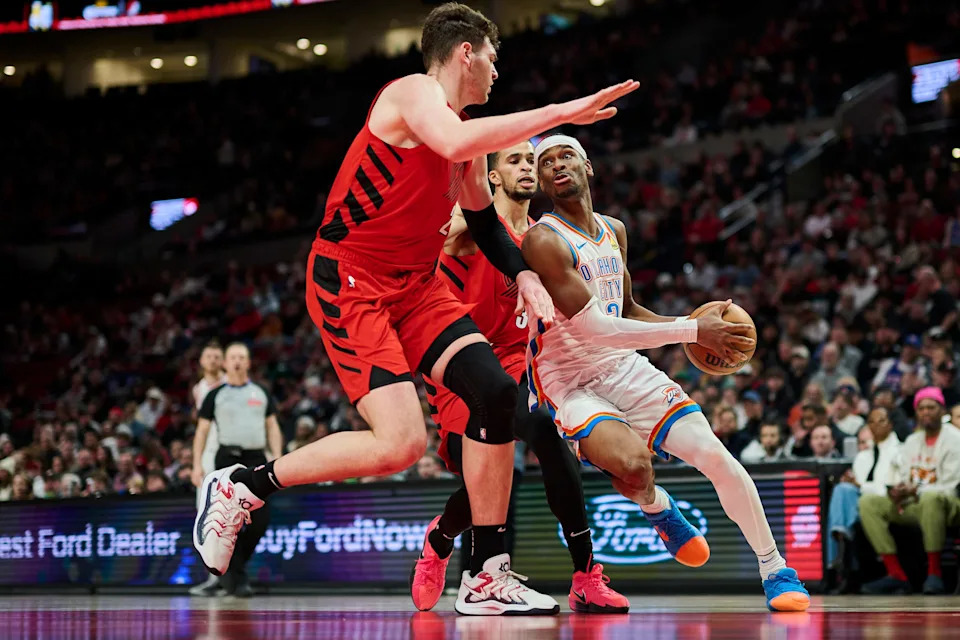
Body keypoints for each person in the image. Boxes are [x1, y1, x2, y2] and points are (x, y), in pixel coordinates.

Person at [193, 2, 638, 616]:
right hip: (351, 282)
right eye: (492, 58)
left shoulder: (470, 135)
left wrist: (527, 275)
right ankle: (244, 485)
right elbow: (454, 140)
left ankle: (485, 572)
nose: (495, 72)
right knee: (400, 445)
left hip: (417, 284)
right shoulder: (411, 95)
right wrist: (564, 111)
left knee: (496, 393)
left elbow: (482, 221)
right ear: (466, 53)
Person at [520, 134, 810, 611]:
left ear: (587, 166)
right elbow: (594, 327)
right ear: (542, 182)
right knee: (634, 466)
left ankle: (776, 569)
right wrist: (693, 329)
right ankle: (659, 508)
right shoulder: (543, 240)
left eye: (566, 155)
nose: (556, 165)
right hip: (568, 380)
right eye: (545, 161)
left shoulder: (614, 229)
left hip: (623, 366)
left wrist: (696, 330)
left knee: (716, 456)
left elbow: (628, 310)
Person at [412, 142, 629, 615]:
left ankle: (586, 575)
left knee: (550, 436)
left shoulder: (539, 238)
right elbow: (441, 235)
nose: (527, 168)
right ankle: (440, 537)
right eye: (513, 161)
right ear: (491, 178)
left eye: (530, 161)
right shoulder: (470, 225)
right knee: (482, 486)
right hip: (462, 363)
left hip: (518, 359)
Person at [192, 343, 283, 598]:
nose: (237, 362)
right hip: (227, 460)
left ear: (249, 362)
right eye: (232, 357)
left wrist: (276, 455)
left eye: (242, 357)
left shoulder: (261, 392)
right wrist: (196, 464)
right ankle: (237, 581)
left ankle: (234, 569)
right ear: (225, 363)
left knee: (260, 521)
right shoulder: (215, 395)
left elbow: (272, 425)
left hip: (256, 458)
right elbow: (201, 431)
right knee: (226, 524)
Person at [859, 387, 960, 595]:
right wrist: (899, 490)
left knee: (931, 497)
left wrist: (917, 490)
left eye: (931, 407)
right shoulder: (913, 441)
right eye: (921, 408)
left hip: (949, 505)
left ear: (942, 410)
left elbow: (950, 487)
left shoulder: (955, 439)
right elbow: (906, 477)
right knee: (868, 502)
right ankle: (896, 574)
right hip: (915, 503)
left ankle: (935, 573)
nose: (926, 412)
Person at [826, 408, 901, 594]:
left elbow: (888, 489)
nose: (876, 425)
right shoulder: (862, 456)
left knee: (849, 494)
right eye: (872, 422)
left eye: (881, 421)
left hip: (888, 503)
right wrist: (854, 484)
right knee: (842, 489)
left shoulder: (899, 451)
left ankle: (838, 556)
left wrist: (859, 485)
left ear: (890, 425)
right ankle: (842, 534)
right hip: (860, 506)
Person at [188, 342, 227, 597]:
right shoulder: (198, 389)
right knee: (206, 517)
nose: (212, 359)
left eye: (217, 356)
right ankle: (213, 578)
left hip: (228, 453)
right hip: (207, 456)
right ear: (201, 361)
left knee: (226, 516)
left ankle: (229, 578)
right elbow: (200, 429)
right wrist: (196, 463)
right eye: (208, 355)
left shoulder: (230, 384)